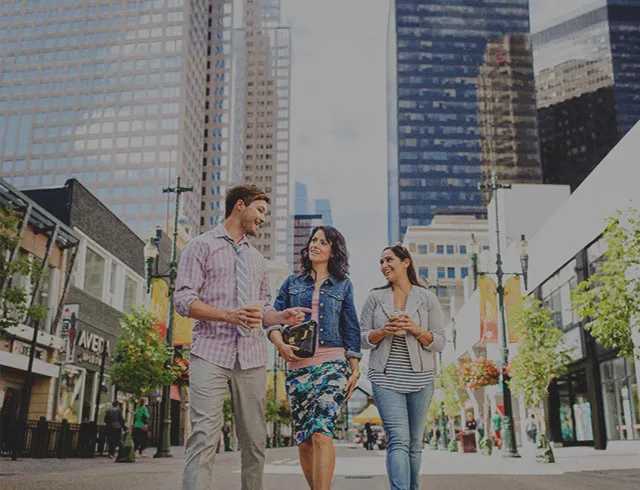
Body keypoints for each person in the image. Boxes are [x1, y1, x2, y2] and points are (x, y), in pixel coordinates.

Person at [174, 184, 309, 490]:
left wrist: (280, 317)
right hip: (210, 352)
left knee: (255, 441)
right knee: (204, 436)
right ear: (239, 206)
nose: (263, 218)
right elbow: (183, 301)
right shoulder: (200, 246)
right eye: (260, 210)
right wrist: (227, 315)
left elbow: (262, 310)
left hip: (251, 358)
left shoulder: (257, 260)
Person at [267, 225, 361, 490]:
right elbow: (271, 319)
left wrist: (354, 368)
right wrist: (280, 345)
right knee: (305, 439)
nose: (315, 245)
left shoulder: (343, 285)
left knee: (321, 431)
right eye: (313, 240)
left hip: (332, 363)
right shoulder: (292, 283)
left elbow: (350, 327)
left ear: (333, 251)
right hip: (298, 365)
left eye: (323, 241)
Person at [360, 243, 446, 490]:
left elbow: (439, 342)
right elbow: (360, 339)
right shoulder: (375, 297)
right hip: (385, 378)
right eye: (381, 262)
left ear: (405, 262)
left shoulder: (427, 298)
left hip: (420, 378)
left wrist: (415, 329)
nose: (384, 266)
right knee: (398, 440)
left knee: (415, 443)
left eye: (389, 260)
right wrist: (381, 331)